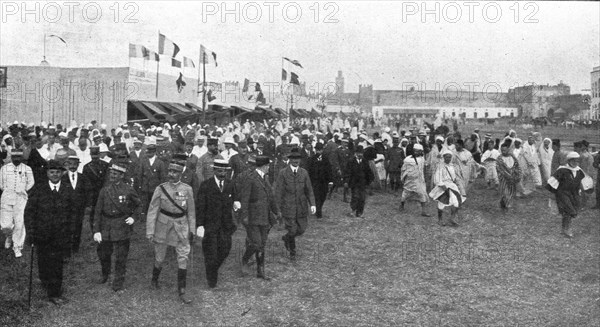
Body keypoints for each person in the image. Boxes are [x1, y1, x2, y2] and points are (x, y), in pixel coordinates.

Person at [24, 160, 76, 305]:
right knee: (43, 261)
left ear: (62, 173)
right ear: (47, 173)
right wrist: (31, 232)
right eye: (52, 172)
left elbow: (73, 212)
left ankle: (55, 293)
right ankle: (45, 281)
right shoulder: (39, 189)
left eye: (58, 172)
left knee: (57, 263)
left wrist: (71, 230)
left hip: (61, 234)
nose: (55, 175)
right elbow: (29, 212)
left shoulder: (67, 189)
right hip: (42, 234)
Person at [146, 158, 196, 304]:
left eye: (175, 172)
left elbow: (191, 212)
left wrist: (192, 230)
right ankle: (154, 279)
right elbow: (152, 210)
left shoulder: (187, 189)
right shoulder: (160, 188)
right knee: (160, 256)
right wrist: (150, 231)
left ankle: (182, 289)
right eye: (170, 171)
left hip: (181, 225)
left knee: (183, 255)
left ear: (181, 174)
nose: (171, 174)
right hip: (163, 225)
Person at [92, 162, 141, 292]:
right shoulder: (104, 190)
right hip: (106, 226)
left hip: (121, 225)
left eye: (115, 173)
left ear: (121, 175)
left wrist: (133, 217)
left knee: (121, 256)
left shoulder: (128, 189)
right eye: (111, 173)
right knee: (103, 253)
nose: (112, 175)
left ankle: (118, 282)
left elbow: (139, 205)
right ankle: (105, 274)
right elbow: (97, 211)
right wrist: (96, 230)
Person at [196, 159, 237, 288]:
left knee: (225, 250)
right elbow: (200, 206)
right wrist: (200, 225)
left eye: (224, 170)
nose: (222, 173)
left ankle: (212, 269)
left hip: (225, 226)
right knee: (211, 254)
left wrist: (237, 204)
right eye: (219, 170)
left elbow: (236, 198)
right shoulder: (206, 185)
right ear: (214, 170)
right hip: (210, 226)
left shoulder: (230, 184)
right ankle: (211, 279)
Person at [239, 156, 280, 280]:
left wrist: (276, 211)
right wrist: (245, 216)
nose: (269, 168)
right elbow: (244, 199)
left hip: (264, 216)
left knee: (262, 244)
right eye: (268, 166)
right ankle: (244, 260)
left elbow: (271, 197)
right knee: (256, 242)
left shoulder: (265, 178)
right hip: (253, 217)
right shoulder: (251, 178)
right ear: (265, 166)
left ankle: (260, 271)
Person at [275, 148, 316, 261]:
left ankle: (286, 238)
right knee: (292, 229)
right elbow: (278, 192)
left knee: (301, 229)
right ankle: (292, 251)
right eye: (293, 159)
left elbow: (309, 190)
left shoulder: (304, 173)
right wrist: (278, 209)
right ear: (289, 160)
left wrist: (312, 204)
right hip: (288, 207)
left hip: (301, 207)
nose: (295, 161)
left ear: (300, 160)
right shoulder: (283, 173)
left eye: (297, 159)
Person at [546, 152, 592, 237]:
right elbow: (553, 183)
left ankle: (564, 229)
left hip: (574, 194)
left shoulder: (579, 171)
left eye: (577, 161)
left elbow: (584, 183)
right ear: (569, 161)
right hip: (563, 193)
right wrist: (552, 195)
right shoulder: (562, 170)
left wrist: (583, 192)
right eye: (573, 161)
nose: (575, 163)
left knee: (570, 211)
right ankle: (567, 229)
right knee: (570, 211)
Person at [0, 149, 35, 257]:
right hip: (7, 197)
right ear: (11, 157)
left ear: (21, 157)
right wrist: (8, 190)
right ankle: (9, 236)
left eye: (18, 157)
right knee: (6, 225)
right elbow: (1, 183)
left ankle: (17, 246)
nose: (16, 159)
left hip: (21, 199)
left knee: (20, 223)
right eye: (14, 157)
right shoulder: (4, 168)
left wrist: (23, 190)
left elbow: (31, 182)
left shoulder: (27, 169)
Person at [429, 149, 463, 226]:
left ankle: (452, 218)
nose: (448, 159)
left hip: (452, 185)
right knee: (442, 202)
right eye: (446, 157)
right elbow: (437, 178)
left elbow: (454, 177)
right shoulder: (440, 166)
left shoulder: (452, 166)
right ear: (443, 157)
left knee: (456, 202)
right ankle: (440, 219)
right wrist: (444, 188)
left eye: (449, 157)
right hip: (443, 186)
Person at [63, 154, 89, 254]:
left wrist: (88, 205)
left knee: (78, 226)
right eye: (70, 164)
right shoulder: (63, 177)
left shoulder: (83, 178)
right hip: (66, 208)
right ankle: (66, 248)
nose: (73, 166)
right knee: (66, 226)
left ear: (78, 165)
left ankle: (75, 247)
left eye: (75, 164)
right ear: (67, 165)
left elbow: (88, 192)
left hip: (79, 207)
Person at [399, 144, 429, 217]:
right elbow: (403, 169)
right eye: (415, 151)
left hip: (419, 180)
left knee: (422, 193)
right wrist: (403, 178)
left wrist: (424, 178)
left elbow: (423, 169)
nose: (416, 152)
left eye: (418, 151)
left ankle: (423, 211)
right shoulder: (407, 159)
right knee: (405, 193)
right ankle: (402, 205)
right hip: (410, 180)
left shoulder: (422, 159)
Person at [344, 146, 374, 218]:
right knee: (355, 196)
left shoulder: (365, 161)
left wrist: (371, 181)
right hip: (354, 182)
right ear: (356, 153)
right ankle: (353, 210)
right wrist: (346, 181)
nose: (360, 154)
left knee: (362, 198)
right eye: (359, 153)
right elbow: (347, 172)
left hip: (363, 183)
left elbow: (369, 172)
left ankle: (360, 212)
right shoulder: (351, 161)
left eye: (361, 153)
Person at [306, 142, 334, 219]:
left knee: (323, 196)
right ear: (315, 150)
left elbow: (329, 170)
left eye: (320, 150)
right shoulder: (311, 159)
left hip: (324, 182)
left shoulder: (325, 159)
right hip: (314, 182)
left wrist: (330, 181)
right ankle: (318, 211)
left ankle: (319, 207)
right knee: (316, 196)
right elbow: (308, 171)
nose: (319, 151)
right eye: (317, 150)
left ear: (322, 150)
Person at [496, 142, 522, 212]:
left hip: (512, 180)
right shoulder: (499, 159)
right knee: (506, 193)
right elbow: (500, 170)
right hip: (504, 180)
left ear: (508, 150)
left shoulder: (513, 157)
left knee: (511, 193)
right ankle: (508, 209)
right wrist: (508, 175)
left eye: (505, 150)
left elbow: (517, 167)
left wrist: (517, 175)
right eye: (502, 150)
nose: (503, 152)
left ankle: (504, 206)